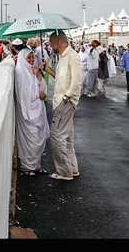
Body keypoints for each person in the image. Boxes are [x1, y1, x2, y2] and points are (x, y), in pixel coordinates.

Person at [43, 30, 82, 181]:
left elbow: (77, 82)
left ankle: (65, 171)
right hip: (63, 100)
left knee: (56, 136)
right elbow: (60, 78)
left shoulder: (72, 57)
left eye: (52, 43)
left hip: (65, 102)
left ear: (57, 43)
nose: (51, 46)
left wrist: (67, 97)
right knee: (66, 137)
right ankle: (72, 168)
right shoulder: (63, 57)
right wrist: (48, 70)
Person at [15, 48, 50, 176]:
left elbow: (43, 88)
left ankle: (35, 166)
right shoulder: (20, 73)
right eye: (28, 58)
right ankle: (27, 166)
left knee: (38, 138)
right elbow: (23, 94)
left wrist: (39, 75)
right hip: (28, 113)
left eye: (32, 57)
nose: (31, 60)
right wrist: (37, 93)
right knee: (31, 139)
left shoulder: (32, 71)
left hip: (38, 110)